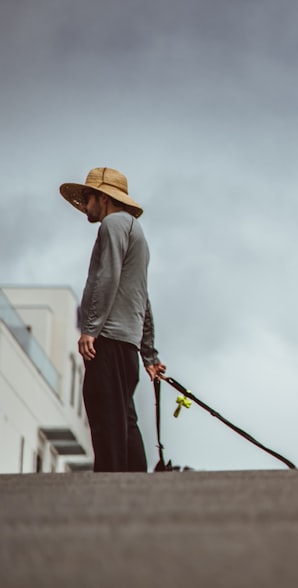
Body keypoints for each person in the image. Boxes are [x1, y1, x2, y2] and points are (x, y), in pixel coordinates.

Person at [60, 167, 166, 472]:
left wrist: (90, 329)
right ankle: (136, 488)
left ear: (102, 197)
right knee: (123, 419)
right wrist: (149, 354)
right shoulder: (135, 230)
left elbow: (106, 277)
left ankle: (109, 492)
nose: (85, 207)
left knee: (106, 417)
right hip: (127, 347)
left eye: (87, 198)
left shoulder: (113, 225)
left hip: (108, 342)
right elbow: (142, 298)